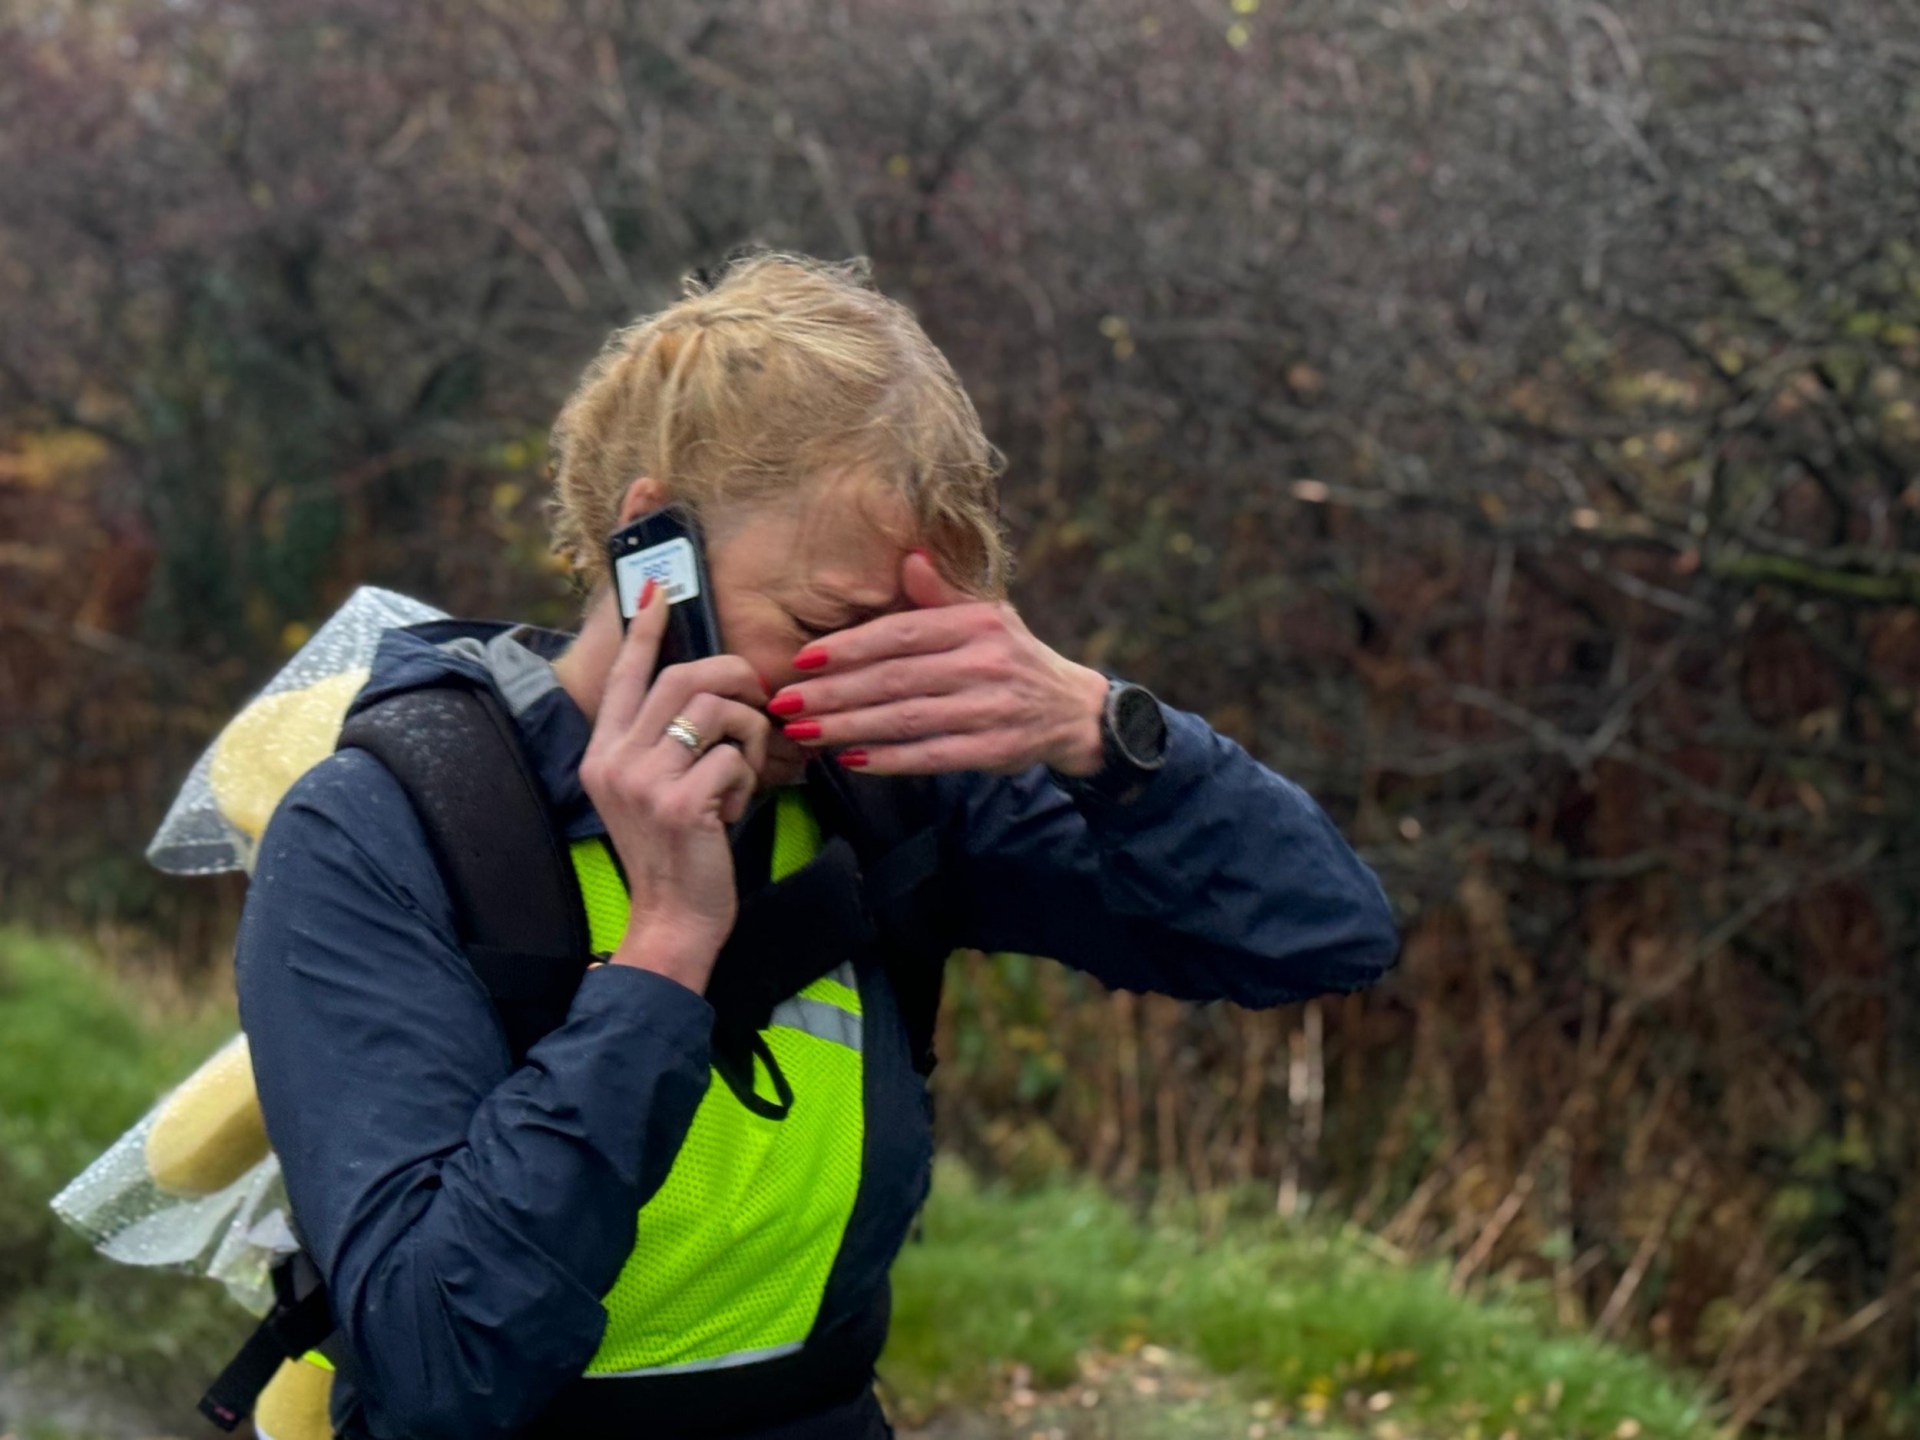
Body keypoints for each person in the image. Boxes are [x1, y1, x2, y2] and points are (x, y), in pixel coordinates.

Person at [236, 253, 1400, 1440]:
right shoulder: (384, 829)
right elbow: (439, 1362)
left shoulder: (885, 787)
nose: (872, 676)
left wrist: (1104, 730)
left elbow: (1322, 937)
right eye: (827, 623)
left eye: (920, 631)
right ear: (651, 555)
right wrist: (665, 950)